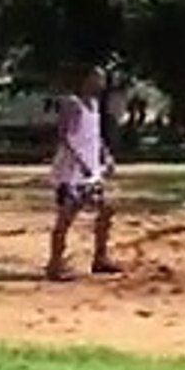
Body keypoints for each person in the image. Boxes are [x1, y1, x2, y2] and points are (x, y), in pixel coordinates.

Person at [46, 65, 122, 281]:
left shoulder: (95, 105)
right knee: (65, 218)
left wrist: (106, 155)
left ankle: (100, 258)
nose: (102, 83)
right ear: (86, 79)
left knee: (106, 210)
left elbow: (95, 135)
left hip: (90, 172)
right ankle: (54, 265)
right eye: (98, 78)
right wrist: (81, 162)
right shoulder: (71, 103)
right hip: (71, 173)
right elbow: (64, 137)